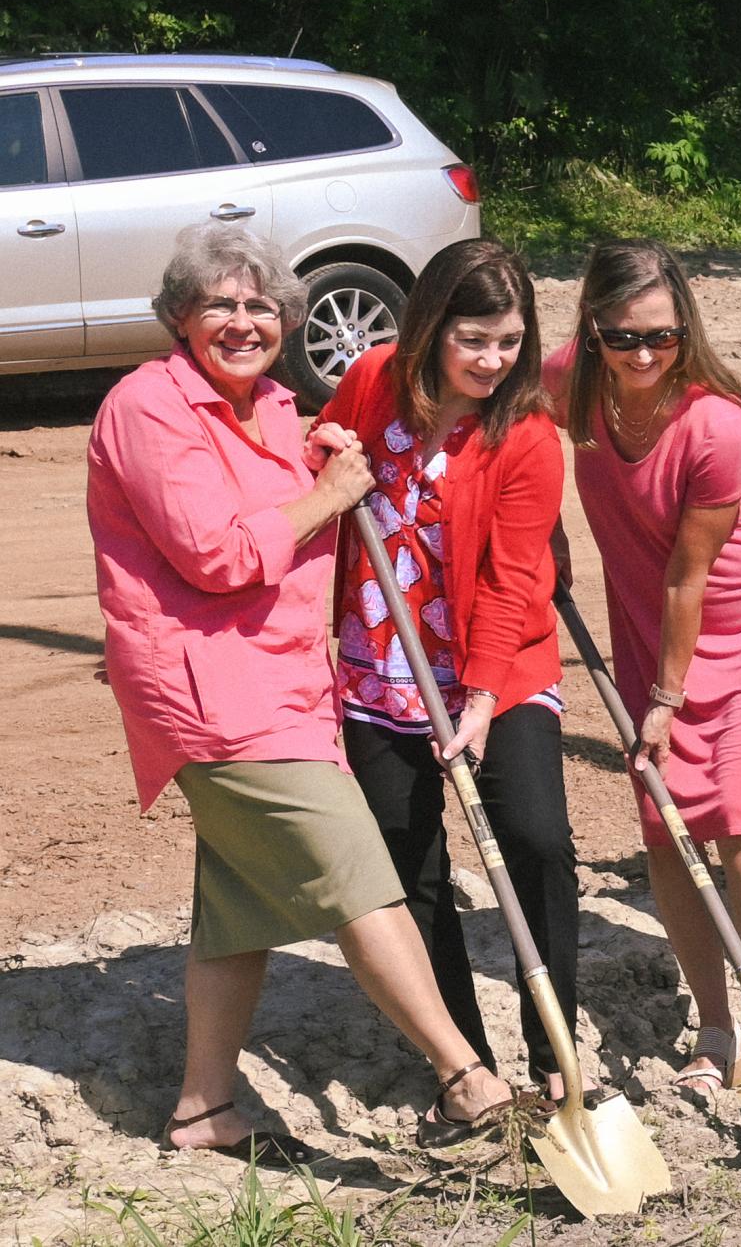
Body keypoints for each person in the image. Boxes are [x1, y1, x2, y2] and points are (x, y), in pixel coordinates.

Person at [88, 224, 519, 1161]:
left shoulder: (276, 407)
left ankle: (205, 1108)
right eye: (220, 306)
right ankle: (465, 1079)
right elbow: (218, 553)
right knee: (357, 873)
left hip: (288, 686)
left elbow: (308, 488)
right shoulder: (148, 407)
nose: (244, 324)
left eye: (262, 307)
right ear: (178, 317)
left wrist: (319, 453)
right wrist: (327, 491)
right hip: (209, 695)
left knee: (237, 903)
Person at [550, 240, 741, 1098]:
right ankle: (715, 1023)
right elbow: (486, 408)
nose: (641, 356)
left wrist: (665, 701)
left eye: (660, 339)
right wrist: (536, 524)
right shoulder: (568, 382)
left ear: (684, 330)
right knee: (667, 829)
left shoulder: (716, 424)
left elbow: (686, 575)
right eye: (622, 338)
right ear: (592, 332)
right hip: (648, 631)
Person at [319, 239, 576, 1098]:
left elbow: (511, 580)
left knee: (536, 842)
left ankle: (556, 1058)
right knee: (411, 860)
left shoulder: (529, 433)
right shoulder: (375, 377)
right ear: (431, 328)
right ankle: (470, 1069)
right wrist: (322, 445)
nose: (492, 360)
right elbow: (327, 450)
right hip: (380, 668)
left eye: (508, 341)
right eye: (473, 339)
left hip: (496, 668)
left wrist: (483, 697)